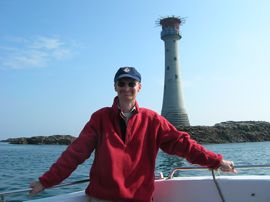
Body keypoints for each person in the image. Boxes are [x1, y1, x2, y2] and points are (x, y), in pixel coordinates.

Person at [29, 67, 237, 202]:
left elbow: (183, 145)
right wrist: (46, 181)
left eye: (131, 83)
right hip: (102, 198)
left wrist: (216, 161)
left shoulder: (153, 120)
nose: (126, 88)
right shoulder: (99, 118)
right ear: (115, 87)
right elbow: (75, 154)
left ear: (139, 87)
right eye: (122, 83)